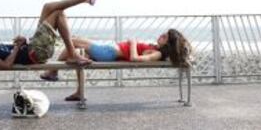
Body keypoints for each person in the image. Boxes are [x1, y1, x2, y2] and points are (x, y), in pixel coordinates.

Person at [40, 28, 192, 101]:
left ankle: (53, 71)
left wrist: (132, 42)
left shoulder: (157, 54)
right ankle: (79, 92)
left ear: (169, 43)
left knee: (72, 42)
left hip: (110, 52)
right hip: (111, 49)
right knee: (77, 53)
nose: (161, 35)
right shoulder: (155, 49)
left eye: (164, 36)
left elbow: (134, 58)